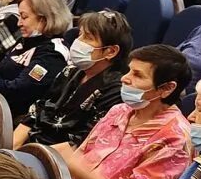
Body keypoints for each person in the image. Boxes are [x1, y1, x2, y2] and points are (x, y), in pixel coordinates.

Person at [55, 45, 193, 179]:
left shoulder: (174, 139)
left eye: (137, 75)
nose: (124, 78)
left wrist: (77, 168)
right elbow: (80, 155)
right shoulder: (119, 111)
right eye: (129, 70)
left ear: (166, 89)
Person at [14, 10, 132, 147]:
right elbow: (39, 109)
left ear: (110, 51)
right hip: (34, 143)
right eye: (79, 34)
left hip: (58, 158)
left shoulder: (116, 91)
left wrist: (28, 155)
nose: (78, 41)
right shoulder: (70, 71)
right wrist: (11, 147)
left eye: (87, 37)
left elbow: (83, 143)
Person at [0, 0, 73, 117]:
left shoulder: (53, 54)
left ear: (44, 19)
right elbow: (1, 67)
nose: (19, 23)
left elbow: (22, 88)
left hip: (16, 115)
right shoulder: (28, 40)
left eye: (24, 17)